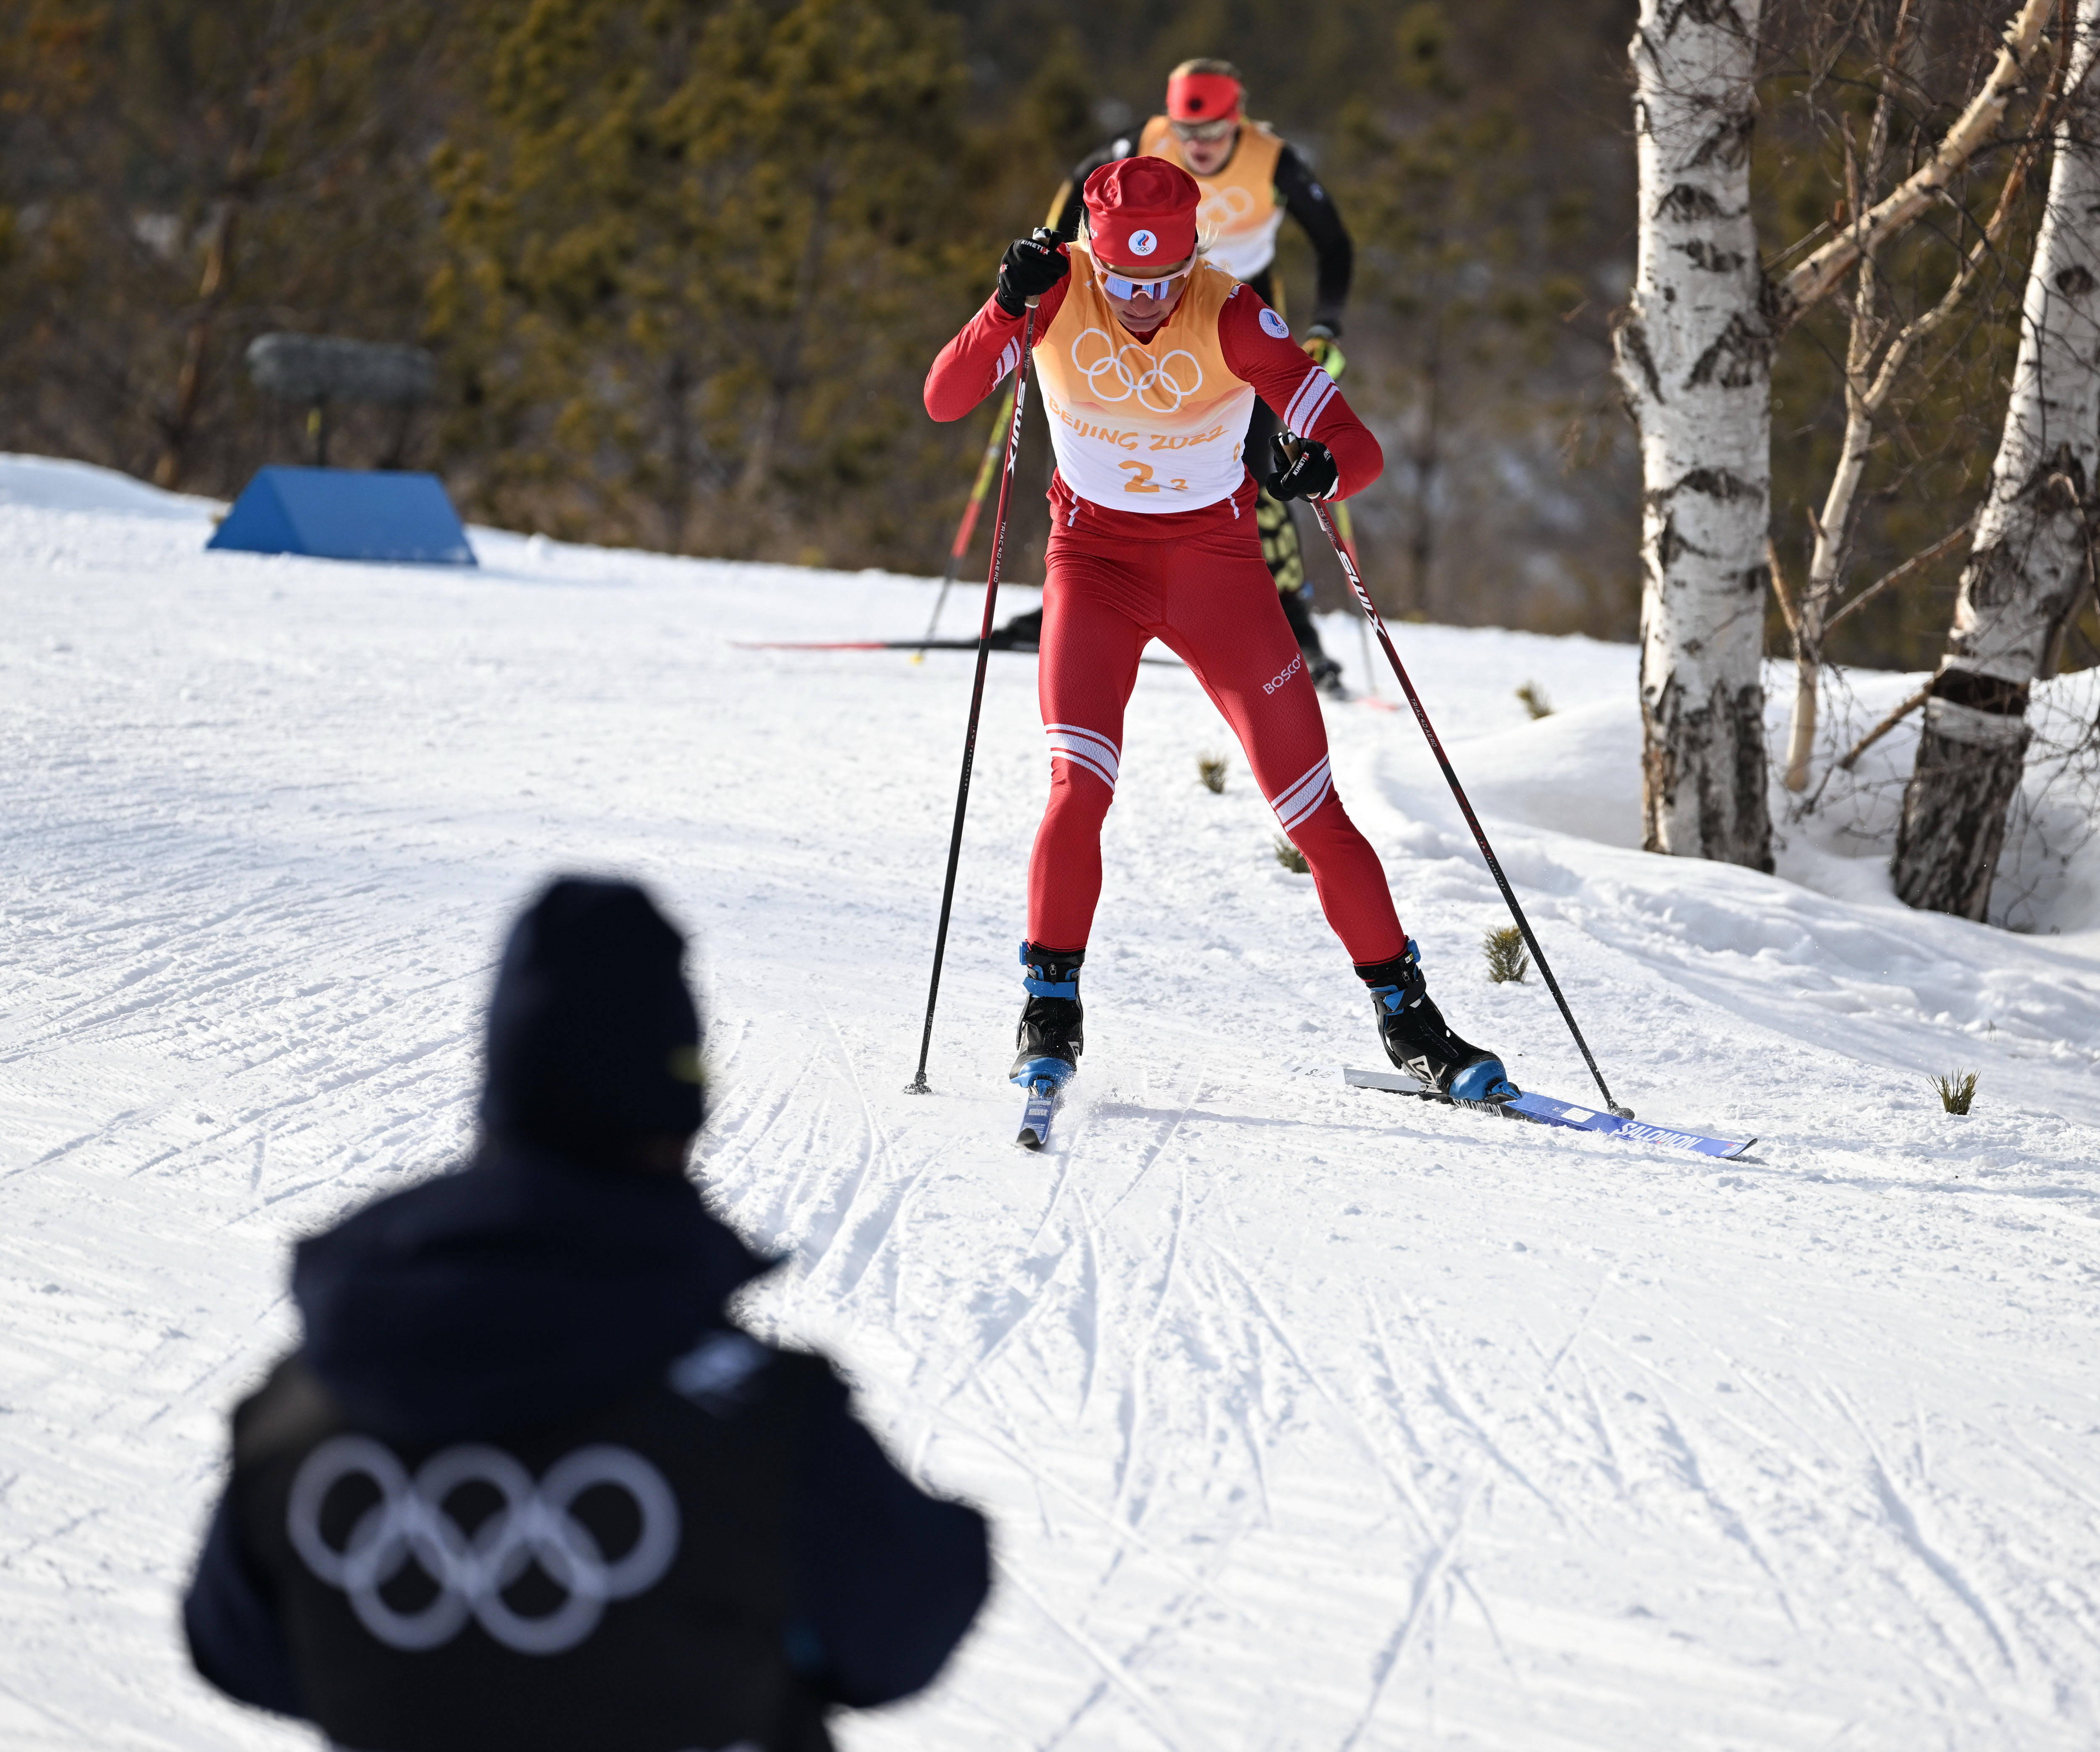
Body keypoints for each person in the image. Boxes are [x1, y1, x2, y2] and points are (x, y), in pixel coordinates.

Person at [182, 877, 990, 1752]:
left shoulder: (308, 1405)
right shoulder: (763, 1425)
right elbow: (905, 1626)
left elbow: (237, 1646)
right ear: (679, 1115)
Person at [923, 158, 1512, 1107]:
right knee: (1077, 786)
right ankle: (1049, 1011)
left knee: (1312, 811)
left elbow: (1356, 447)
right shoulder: (1054, 289)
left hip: (1220, 579)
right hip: (1094, 570)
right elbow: (946, 398)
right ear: (1093, 258)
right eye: (1123, 282)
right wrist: (1000, 309)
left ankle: (1413, 1025)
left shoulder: (1233, 312)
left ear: (1194, 257)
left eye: (1161, 283)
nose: (1143, 303)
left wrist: (1319, 470)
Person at [993, 58, 1354, 691]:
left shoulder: (1274, 160)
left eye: (1214, 132)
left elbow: (1335, 245)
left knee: (1261, 462)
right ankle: (1073, 603)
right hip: (1137, 306)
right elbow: (1077, 188)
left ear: (1237, 118)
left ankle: (1294, 622)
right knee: (1107, 441)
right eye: (1190, 135)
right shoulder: (1142, 143)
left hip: (1240, 314)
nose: (1201, 147)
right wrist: (1043, 264)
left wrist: (1325, 328)